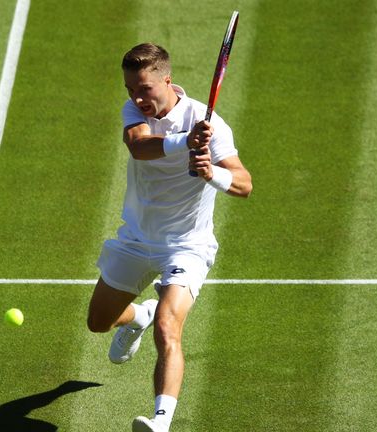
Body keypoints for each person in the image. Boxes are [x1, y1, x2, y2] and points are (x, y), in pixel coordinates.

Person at [86, 43, 252, 432]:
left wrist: (213, 174)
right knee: (98, 322)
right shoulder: (135, 113)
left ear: (167, 80)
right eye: (130, 89)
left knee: (167, 326)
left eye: (145, 88)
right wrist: (185, 142)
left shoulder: (211, 123)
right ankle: (135, 317)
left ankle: (161, 421)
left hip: (186, 246)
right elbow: (140, 147)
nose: (137, 98)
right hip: (137, 238)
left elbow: (244, 184)